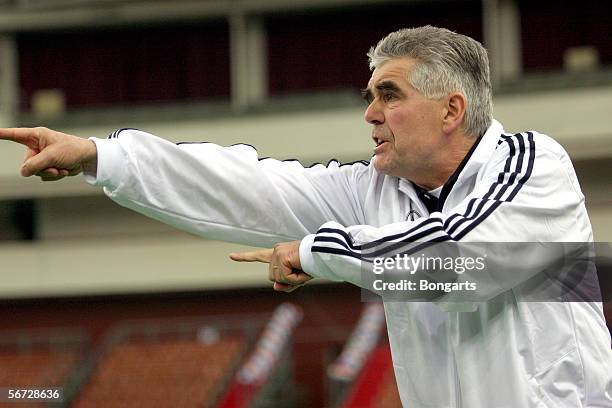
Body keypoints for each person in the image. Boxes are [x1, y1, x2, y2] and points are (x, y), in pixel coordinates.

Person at [1, 26, 611, 407]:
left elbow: (455, 269)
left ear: (452, 110)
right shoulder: (377, 190)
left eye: (389, 95)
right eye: (369, 96)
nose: (370, 114)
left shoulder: (533, 167)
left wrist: (317, 252)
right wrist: (103, 157)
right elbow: (251, 184)